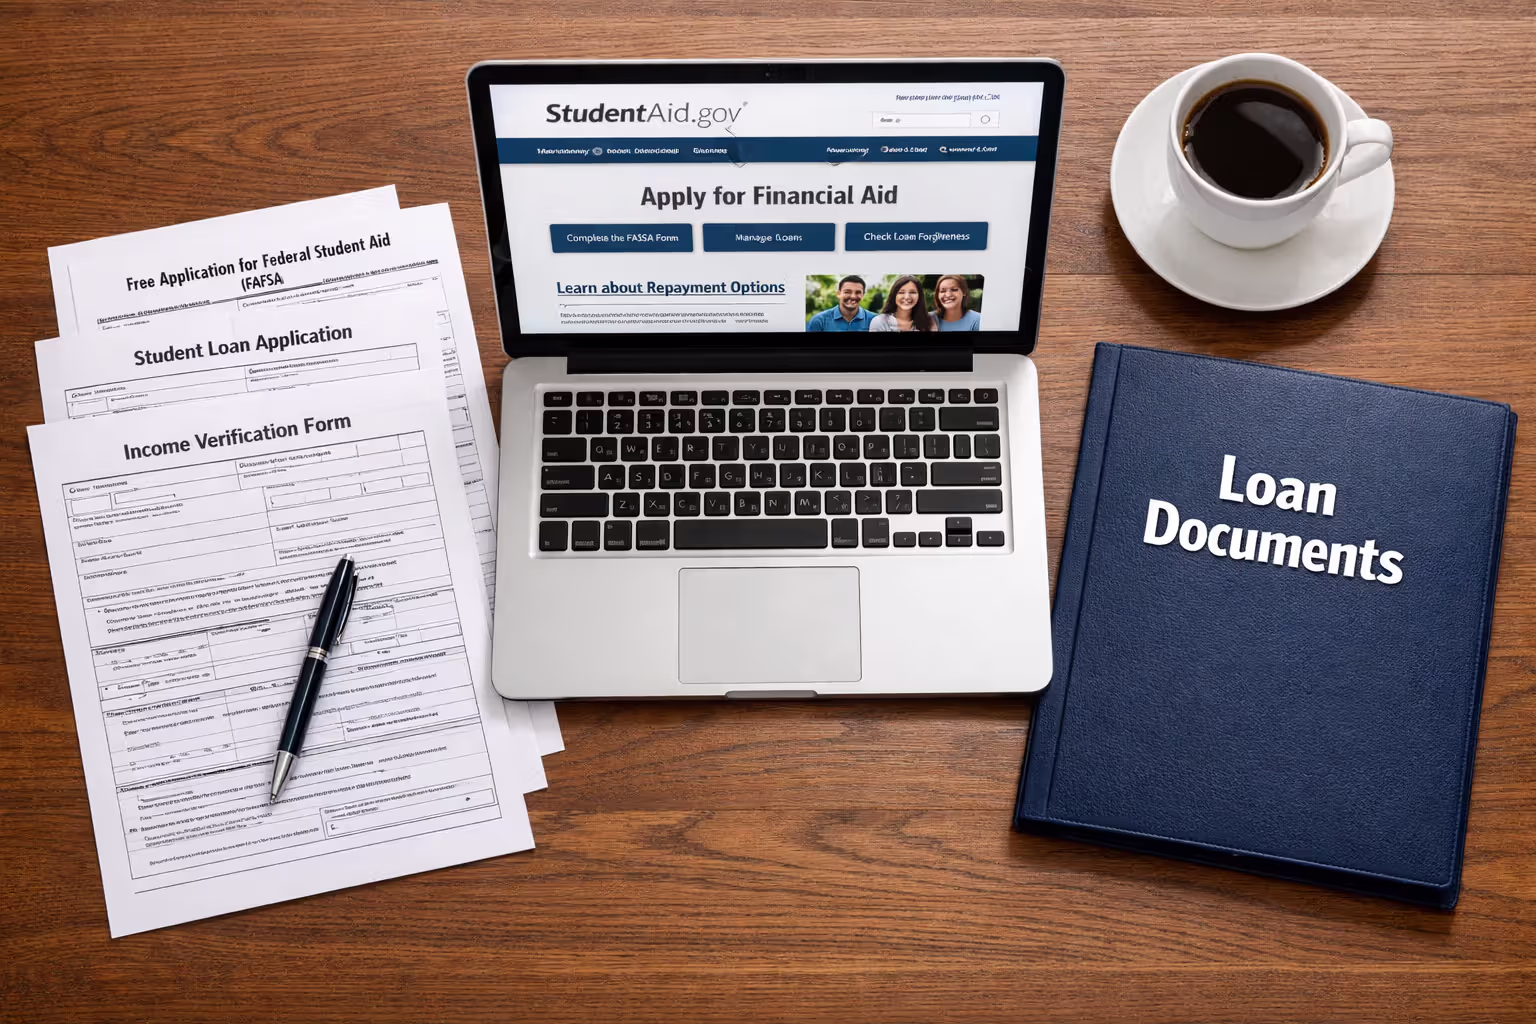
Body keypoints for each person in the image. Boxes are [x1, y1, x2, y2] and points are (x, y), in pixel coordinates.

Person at [805, 275, 877, 331]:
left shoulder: (874, 320)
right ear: (838, 294)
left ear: (863, 295)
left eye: (858, 292)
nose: (853, 296)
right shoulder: (819, 321)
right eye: (847, 292)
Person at [869, 275, 935, 332]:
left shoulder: (928, 323)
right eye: (901, 292)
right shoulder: (880, 322)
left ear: (919, 296)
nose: (907, 297)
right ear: (894, 295)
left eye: (912, 292)